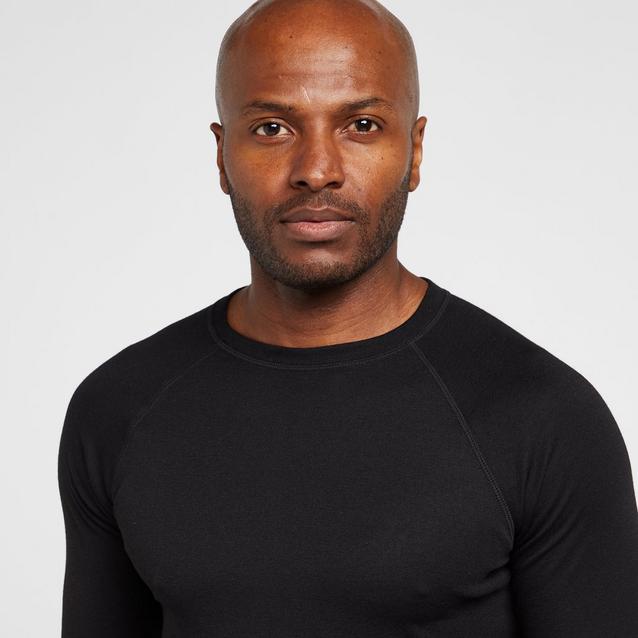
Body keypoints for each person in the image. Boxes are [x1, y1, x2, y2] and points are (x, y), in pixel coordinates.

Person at [57, 0, 638, 635]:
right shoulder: (119, 408)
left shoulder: (544, 418)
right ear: (222, 157)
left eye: (361, 125)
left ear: (414, 150)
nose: (316, 171)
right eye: (272, 128)